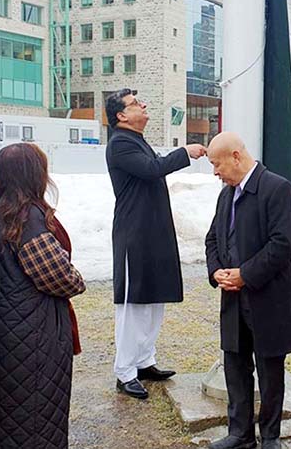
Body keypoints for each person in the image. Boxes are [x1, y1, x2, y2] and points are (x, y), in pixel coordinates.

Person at [0, 143, 85, 448]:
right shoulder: (27, 218)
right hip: (30, 339)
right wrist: (77, 279)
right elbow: (60, 278)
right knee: (32, 420)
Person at [205, 132, 291, 449]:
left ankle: (270, 436)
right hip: (233, 298)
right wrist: (217, 271)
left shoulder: (277, 188)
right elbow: (212, 238)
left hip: (268, 297)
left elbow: (282, 245)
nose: (215, 172)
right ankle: (240, 434)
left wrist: (245, 275)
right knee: (235, 366)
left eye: (217, 164)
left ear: (236, 156)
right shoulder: (226, 194)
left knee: (270, 372)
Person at [104, 88, 206, 399]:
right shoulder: (120, 143)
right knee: (133, 304)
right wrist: (185, 152)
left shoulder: (134, 139)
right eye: (135, 104)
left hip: (152, 231)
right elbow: (152, 169)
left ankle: (144, 361)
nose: (143, 105)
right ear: (121, 116)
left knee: (153, 299)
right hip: (134, 234)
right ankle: (125, 371)